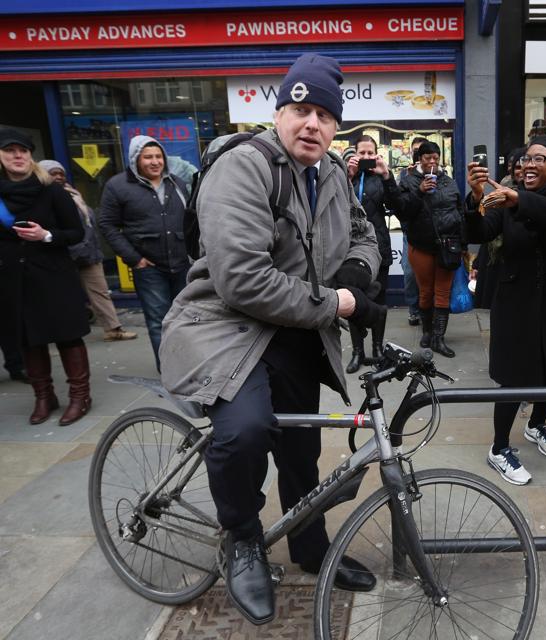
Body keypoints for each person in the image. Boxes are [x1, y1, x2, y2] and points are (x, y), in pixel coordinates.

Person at [159, 54, 383, 625]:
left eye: (324, 115)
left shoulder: (331, 172)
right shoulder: (244, 166)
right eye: (300, 110)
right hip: (223, 326)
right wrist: (337, 302)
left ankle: (310, 548)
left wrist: (356, 273)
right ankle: (241, 536)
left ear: (337, 126)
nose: (312, 124)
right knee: (246, 431)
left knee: (302, 451)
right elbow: (242, 280)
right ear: (278, 112)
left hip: (294, 331)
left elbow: (365, 234)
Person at [465, 136, 546, 485]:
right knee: (514, 378)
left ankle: (536, 425)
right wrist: (476, 200)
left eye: (539, 158)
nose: (528, 164)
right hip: (515, 303)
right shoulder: (505, 199)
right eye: (525, 159)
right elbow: (481, 232)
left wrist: (521, 199)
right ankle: (499, 448)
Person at [0, 128, 93, 425]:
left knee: (68, 336)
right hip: (15, 278)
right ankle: (44, 396)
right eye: (10, 151)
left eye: (23, 151)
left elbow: (76, 233)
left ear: (31, 156)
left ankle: (80, 396)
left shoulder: (51, 190)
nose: (17, 156)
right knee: (29, 340)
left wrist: (46, 235)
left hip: (54, 276)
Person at [99, 135, 190, 369]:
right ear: (135, 159)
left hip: (181, 263)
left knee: (185, 319)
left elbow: (192, 220)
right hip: (148, 266)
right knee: (158, 321)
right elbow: (107, 225)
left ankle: (187, 365)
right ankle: (169, 371)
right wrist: (133, 258)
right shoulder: (117, 186)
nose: (154, 162)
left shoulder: (176, 183)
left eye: (158, 156)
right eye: (147, 157)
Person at [38, 160, 137, 343]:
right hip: (64, 255)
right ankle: (59, 334)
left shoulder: (73, 194)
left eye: (61, 173)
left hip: (88, 253)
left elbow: (87, 224)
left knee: (100, 292)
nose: (59, 177)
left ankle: (113, 329)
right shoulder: (40, 199)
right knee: (61, 296)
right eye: (53, 173)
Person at [396, 140, 463, 358]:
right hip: (421, 245)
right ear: (419, 159)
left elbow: (459, 210)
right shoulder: (408, 181)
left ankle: (438, 338)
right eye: (427, 157)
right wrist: (420, 191)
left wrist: (461, 243)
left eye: (436, 157)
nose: (432, 161)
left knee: (442, 293)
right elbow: (402, 211)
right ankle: (426, 331)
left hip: (447, 246)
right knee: (425, 292)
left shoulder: (449, 182)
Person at [344, 134, 400, 372]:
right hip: (351, 250)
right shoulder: (345, 176)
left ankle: (377, 349)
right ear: (354, 153)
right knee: (353, 301)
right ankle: (358, 352)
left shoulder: (382, 177)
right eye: (362, 153)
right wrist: (347, 177)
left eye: (371, 153)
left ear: (377, 154)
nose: (366, 157)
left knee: (379, 300)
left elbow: (398, 206)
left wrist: (387, 176)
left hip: (379, 246)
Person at [472, 146, 525, 310]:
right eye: (516, 166)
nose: (521, 171)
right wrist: (476, 197)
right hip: (498, 261)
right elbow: (485, 230)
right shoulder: (502, 188)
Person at [399, 136, 429, 325]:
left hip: (429, 230)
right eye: (415, 151)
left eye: (422, 151)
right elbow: (398, 201)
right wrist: (410, 180)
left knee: (429, 274)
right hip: (410, 231)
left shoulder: (435, 172)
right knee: (409, 272)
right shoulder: (404, 174)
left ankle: (429, 311)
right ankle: (413, 309)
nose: (418, 155)